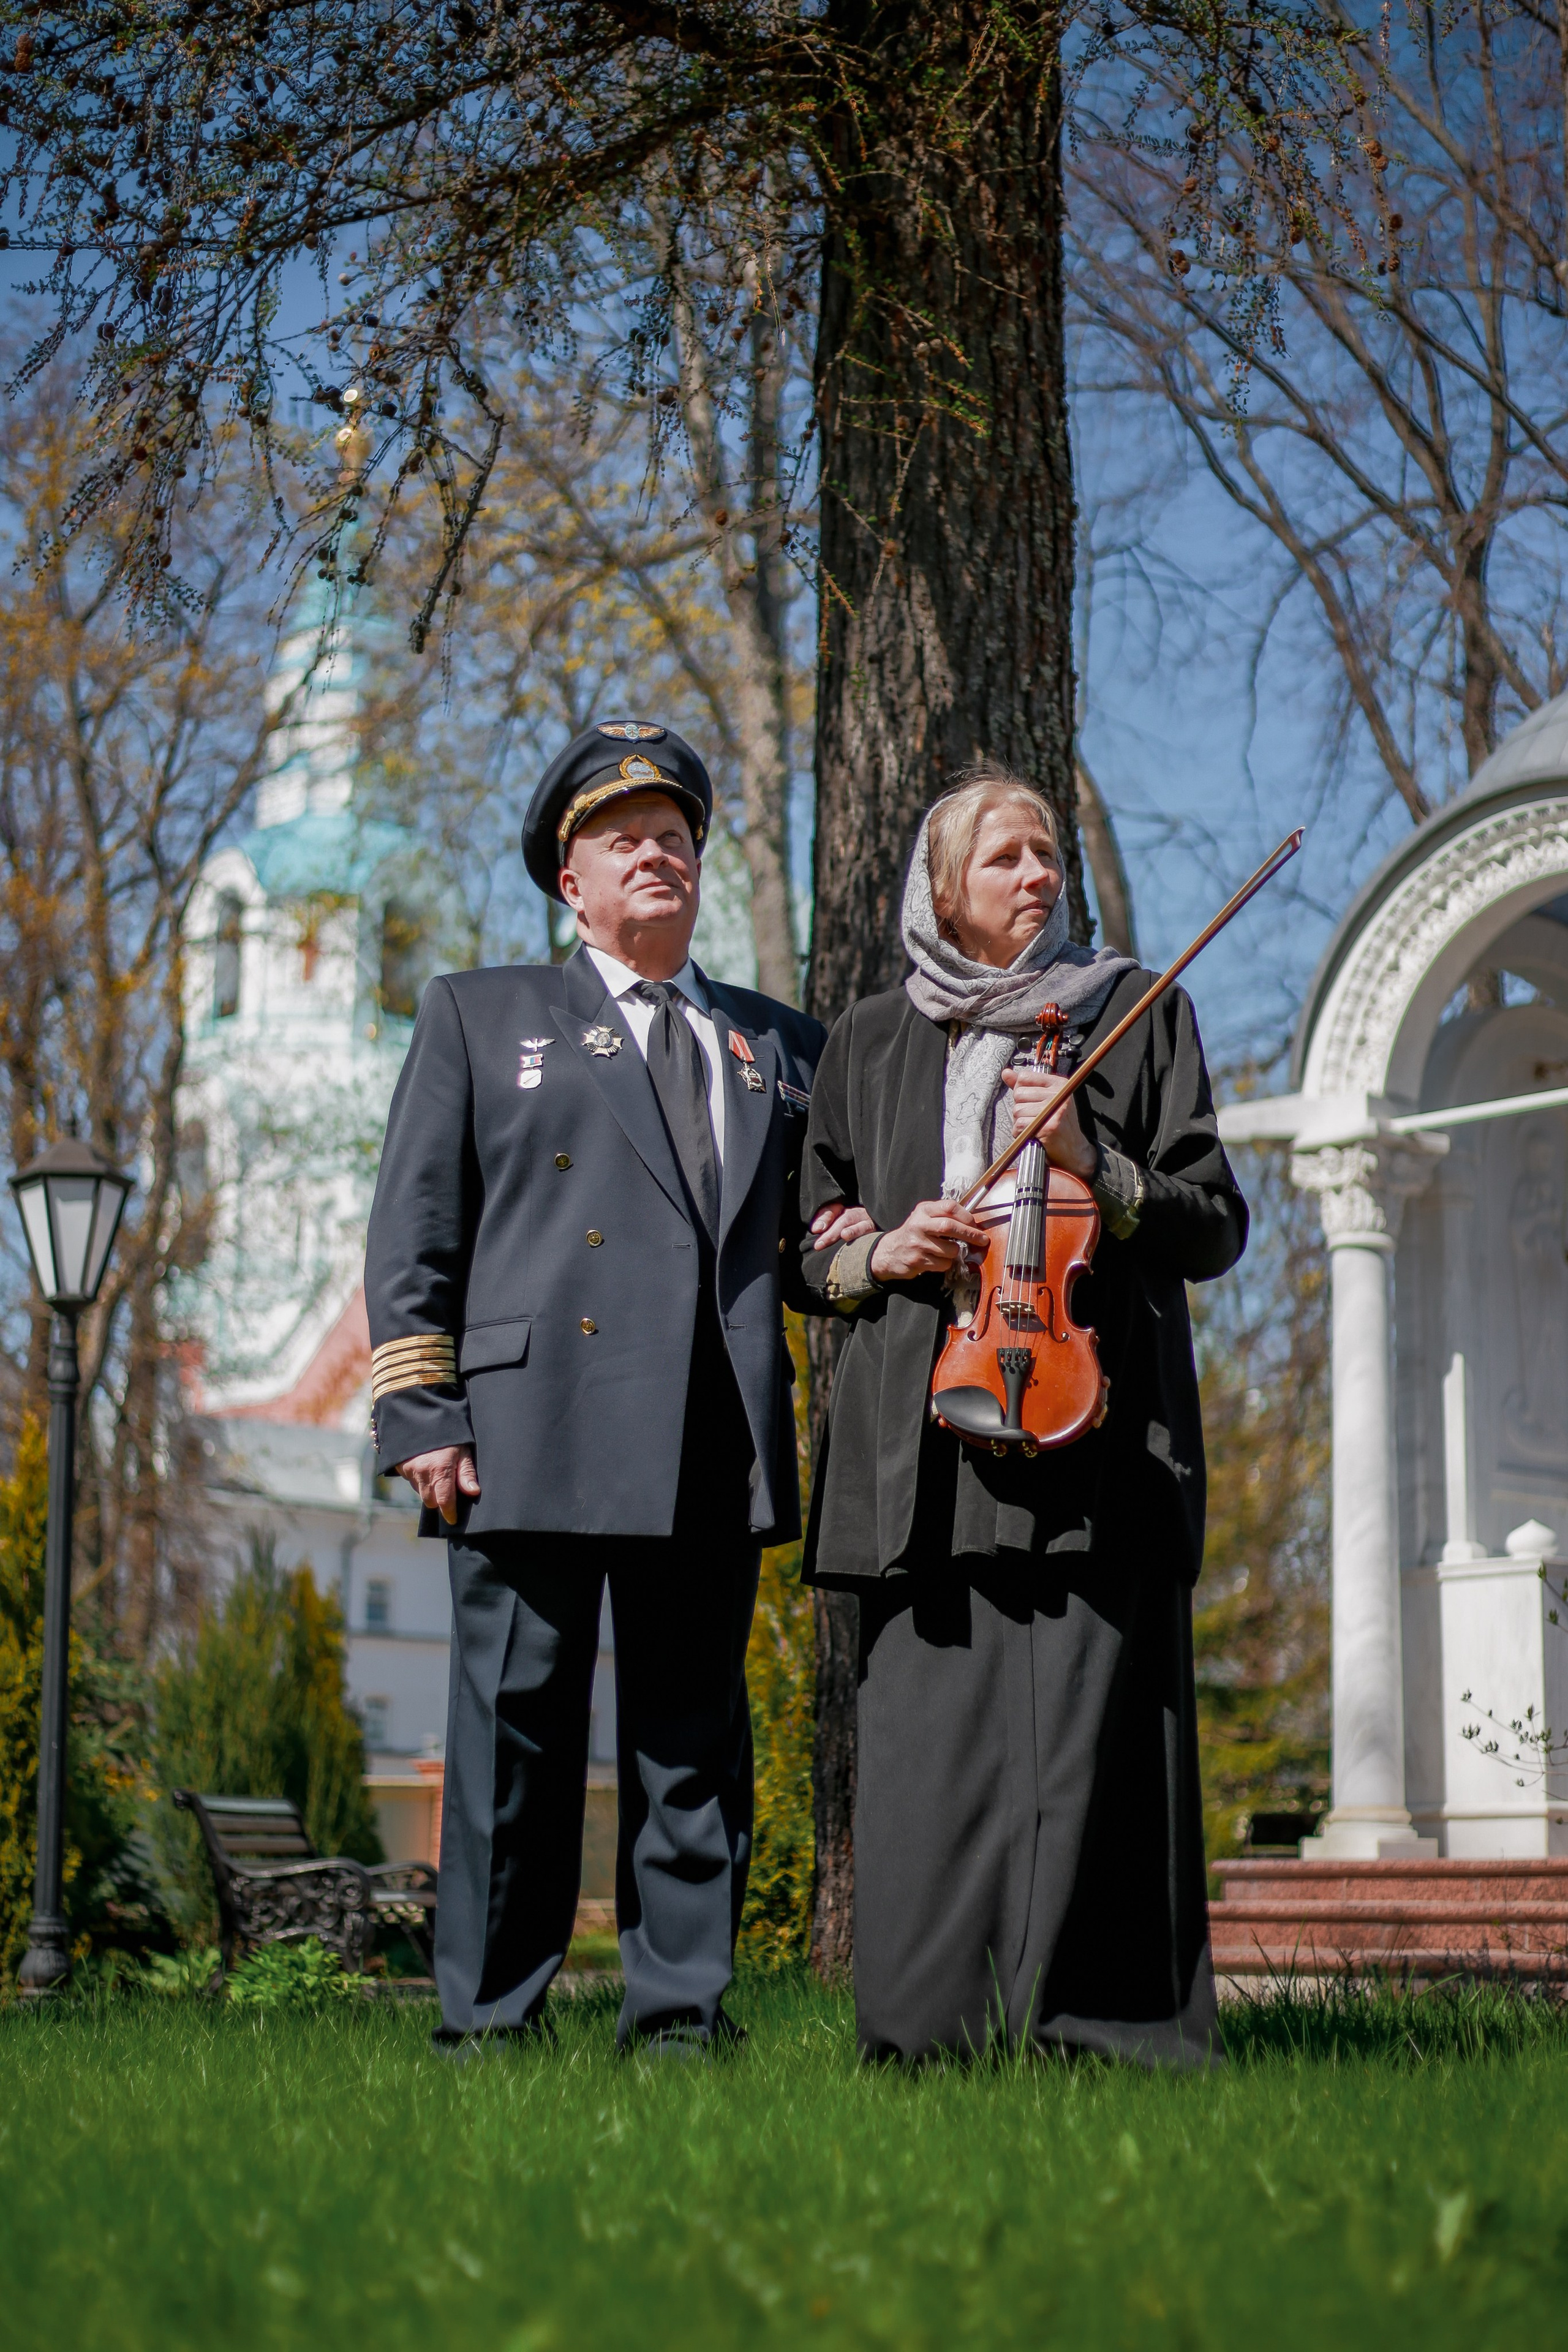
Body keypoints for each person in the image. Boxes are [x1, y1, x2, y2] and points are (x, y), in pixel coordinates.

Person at [364, 720, 832, 2056]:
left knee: (692, 1754)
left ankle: (681, 2022)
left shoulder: (772, 1044)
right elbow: (414, 1229)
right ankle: (488, 2026)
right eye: (624, 839)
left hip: (709, 1434)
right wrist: (420, 1413)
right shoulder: (480, 1011)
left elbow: (804, 1251)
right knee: (514, 1750)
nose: (657, 856)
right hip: (525, 1435)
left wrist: (881, 1254)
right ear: (567, 881)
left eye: (676, 837)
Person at [798, 763, 1248, 2067]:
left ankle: (1106, 2034)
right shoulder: (868, 1040)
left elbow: (1211, 1221)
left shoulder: (1132, 1015)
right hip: (919, 1443)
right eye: (1003, 858)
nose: (1037, 875)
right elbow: (807, 1240)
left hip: (1091, 1435)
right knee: (929, 1756)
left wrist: (1091, 1169)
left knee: (1086, 1750)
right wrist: (879, 1253)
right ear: (939, 890)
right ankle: (926, 2034)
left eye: (1046, 854)